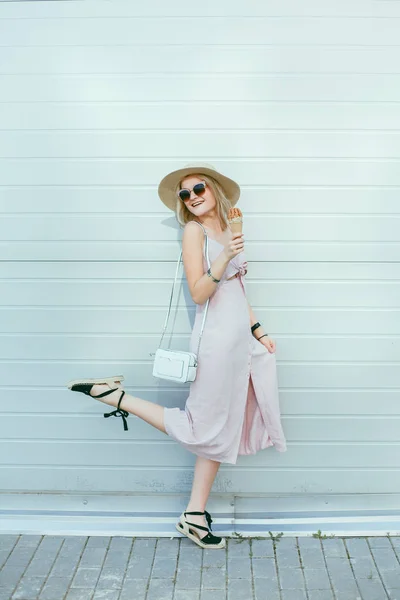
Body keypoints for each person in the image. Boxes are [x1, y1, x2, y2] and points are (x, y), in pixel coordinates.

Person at [67, 162, 287, 550]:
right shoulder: (194, 231)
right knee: (205, 426)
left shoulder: (227, 228)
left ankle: (194, 515)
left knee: (222, 428)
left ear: (214, 188)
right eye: (185, 194)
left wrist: (258, 330)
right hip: (217, 343)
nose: (192, 197)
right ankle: (114, 396)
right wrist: (225, 256)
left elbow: (239, 289)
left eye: (198, 188)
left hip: (240, 341)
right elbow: (200, 292)